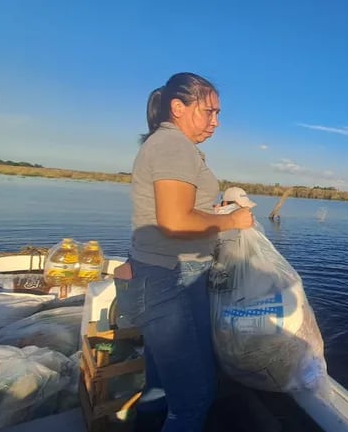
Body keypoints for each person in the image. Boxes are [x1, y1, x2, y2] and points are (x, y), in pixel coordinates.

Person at [115, 72, 254, 432]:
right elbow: (175, 221)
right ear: (178, 107)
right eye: (209, 112)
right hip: (172, 281)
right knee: (193, 399)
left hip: (156, 276)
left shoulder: (168, 144)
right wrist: (232, 221)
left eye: (218, 114)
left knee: (160, 387)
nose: (216, 122)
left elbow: (180, 211)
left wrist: (215, 210)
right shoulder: (173, 146)